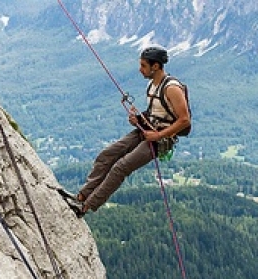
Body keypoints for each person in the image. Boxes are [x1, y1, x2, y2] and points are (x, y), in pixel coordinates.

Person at [73, 45, 191, 217]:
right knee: (108, 155)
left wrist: (158, 135)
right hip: (146, 130)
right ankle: (82, 195)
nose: (140, 69)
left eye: (144, 65)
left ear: (155, 66)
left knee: (120, 168)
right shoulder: (153, 85)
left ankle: (87, 206)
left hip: (160, 140)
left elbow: (184, 119)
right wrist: (139, 119)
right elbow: (157, 113)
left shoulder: (171, 88)